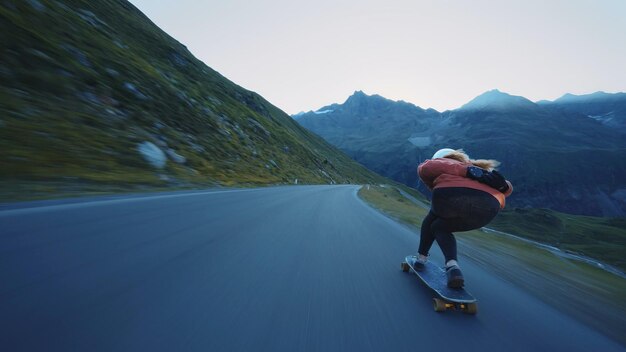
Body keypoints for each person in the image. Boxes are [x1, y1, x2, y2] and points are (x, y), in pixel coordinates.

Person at [414, 148, 513, 288]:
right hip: (488, 207)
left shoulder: (448, 163)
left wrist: (467, 172)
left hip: (452, 195)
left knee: (433, 216)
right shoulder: (477, 169)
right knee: (439, 226)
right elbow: (507, 187)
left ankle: (421, 258)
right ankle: (452, 267)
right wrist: (501, 184)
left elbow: (426, 168)